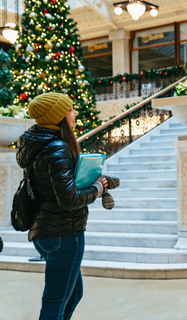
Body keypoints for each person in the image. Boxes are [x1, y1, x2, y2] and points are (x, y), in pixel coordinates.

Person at [16, 92, 108, 320]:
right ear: (58, 116)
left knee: (74, 293)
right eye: (70, 109)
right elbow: (68, 199)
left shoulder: (37, 144)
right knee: (54, 303)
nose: (74, 113)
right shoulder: (57, 148)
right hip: (64, 234)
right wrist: (97, 189)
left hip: (45, 231)